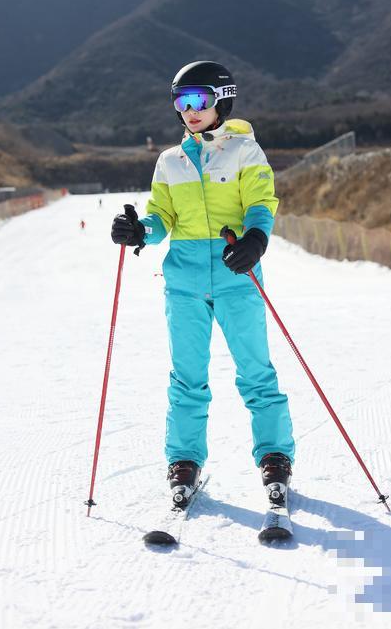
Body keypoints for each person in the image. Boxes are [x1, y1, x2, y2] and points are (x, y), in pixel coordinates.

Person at [111, 61, 295, 507]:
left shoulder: (244, 152)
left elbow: (260, 202)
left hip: (237, 273)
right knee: (187, 377)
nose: (188, 111)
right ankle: (184, 460)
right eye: (180, 102)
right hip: (185, 280)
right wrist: (142, 231)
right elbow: (162, 215)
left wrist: (255, 238)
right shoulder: (169, 160)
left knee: (255, 372)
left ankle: (274, 456)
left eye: (197, 100)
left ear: (221, 99)